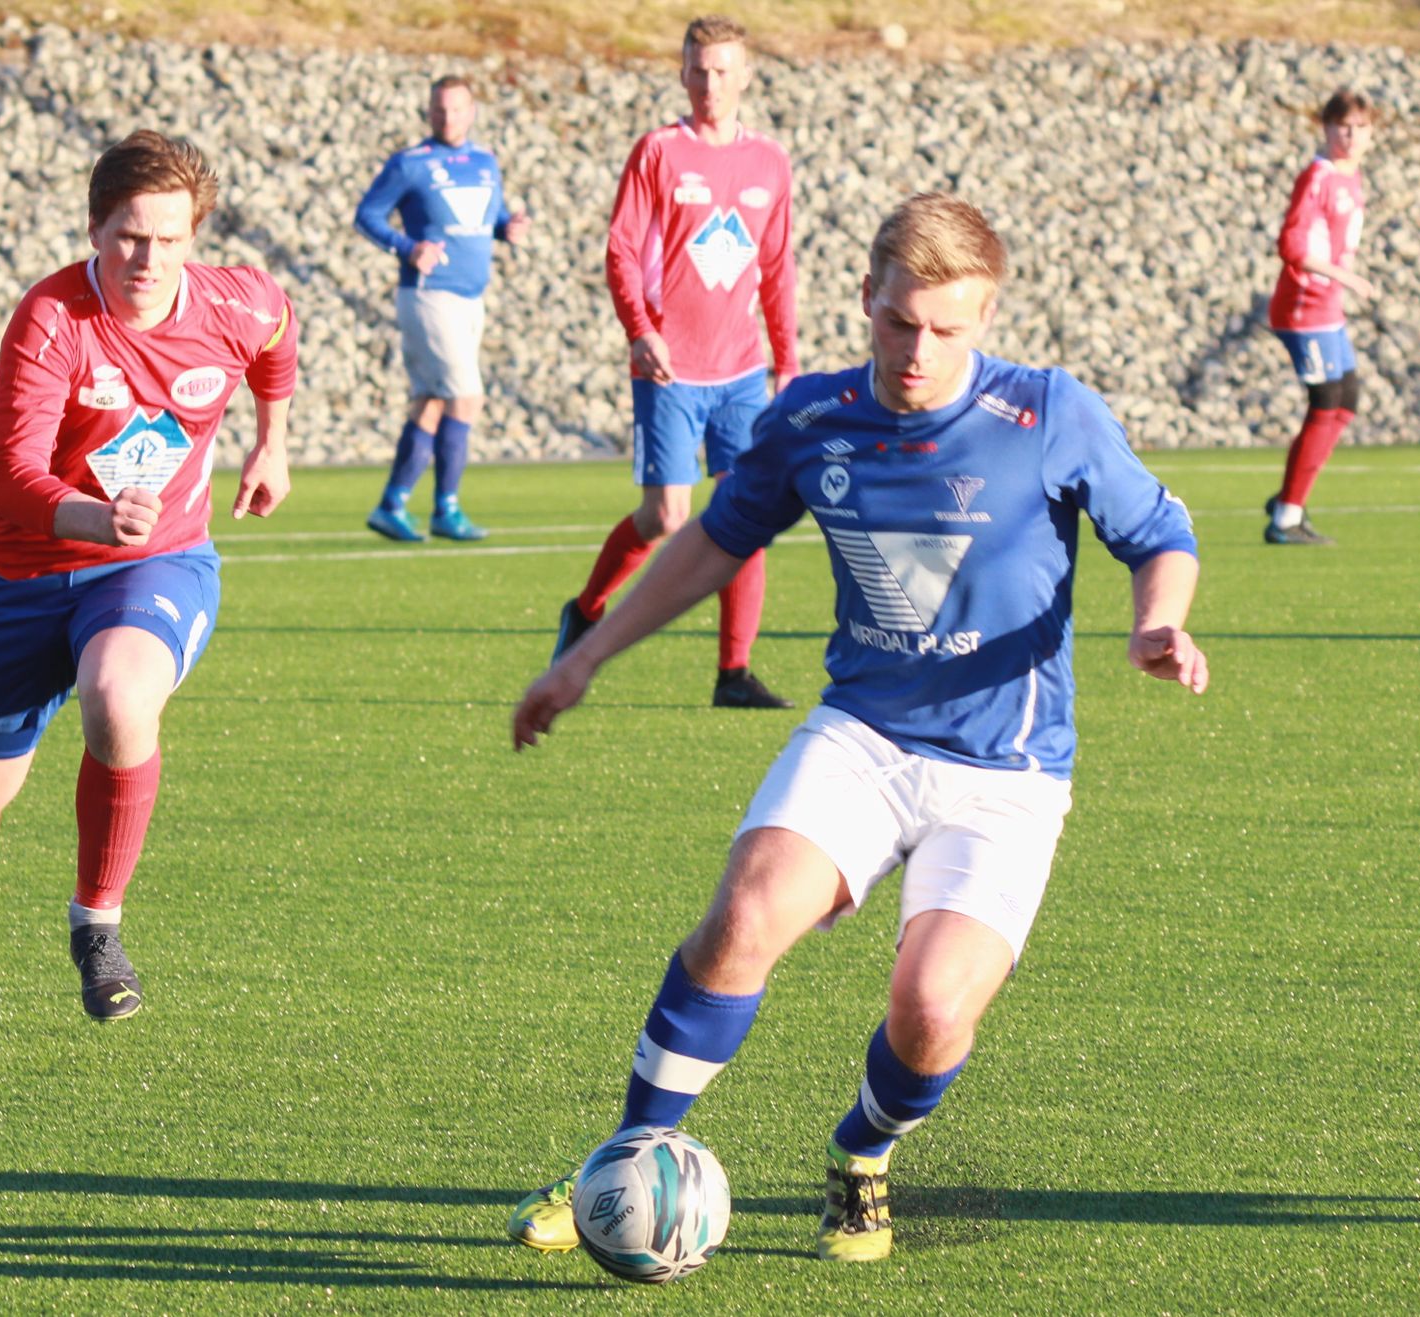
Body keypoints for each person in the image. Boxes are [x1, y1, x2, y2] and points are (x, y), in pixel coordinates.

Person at [505, 193, 1208, 1261]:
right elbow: (710, 544)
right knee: (742, 917)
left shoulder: (1049, 413)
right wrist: (587, 656)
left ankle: (862, 1154)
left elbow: (1160, 534)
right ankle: (629, 1154)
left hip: (1006, 773)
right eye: (897, 322)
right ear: (865, 299)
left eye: (946, 329)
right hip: (864, 738)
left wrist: (1158, 622)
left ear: (984, 318)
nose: (916, 351)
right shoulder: (810, 416)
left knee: (928, 1010)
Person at [0, 130, 299, 1059]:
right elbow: (9, 474)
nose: (148, 258)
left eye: (169, 239)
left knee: (117, 696)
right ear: (95, 229)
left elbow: (277, 334)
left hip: (157, 562)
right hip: (27, 571)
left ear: (196, 238)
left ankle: (97, 925)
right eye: (129, 236)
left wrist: (274, 438)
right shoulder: (53, 317)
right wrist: (96, 519)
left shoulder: (234, 299)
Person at [552, 14, 800, 709]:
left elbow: (777, 266)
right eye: (698, 70)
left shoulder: (769, 162)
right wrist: (640, 329)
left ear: (746, 76)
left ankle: (733, 672)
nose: (709, 84)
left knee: (745, 510)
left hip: (743, 371)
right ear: (681, 72)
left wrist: (790, 360)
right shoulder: (660, 152)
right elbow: (622, 249)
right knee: (665, 516)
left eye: (722, 71)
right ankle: (587, 609)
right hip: (670, 368)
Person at [356, 75, 529, 543]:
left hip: (472, 298)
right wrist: (406, 247)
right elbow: (367, 215)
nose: (446, 117)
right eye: (438, 109)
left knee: (431, 403)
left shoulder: (484, 161)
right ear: (428, 111)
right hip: (430, 296)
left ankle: (392, 504)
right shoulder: (410, 163)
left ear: (472, 111)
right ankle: (445, 509)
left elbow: (484, 217)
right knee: (466, 397)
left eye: (454, 109)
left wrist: (505, 227)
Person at [1264, 87, 1376, 546]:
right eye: (1341, 127)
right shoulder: (1318, 176)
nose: (1350, 136)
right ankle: (1287, 519)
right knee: (1326, 402)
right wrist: (1344, 278)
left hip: (1328, 309)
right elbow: (1290, 247)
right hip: (1304, 308)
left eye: (1360, 128)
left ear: (1372, 132)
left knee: (1346, 402)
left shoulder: (1352, 176)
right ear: (1325, 128)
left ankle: (1290, 498)